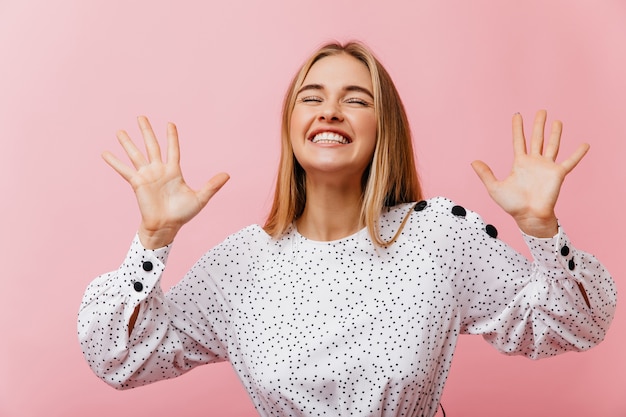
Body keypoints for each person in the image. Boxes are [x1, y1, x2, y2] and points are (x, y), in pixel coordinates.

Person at [78, 42, 617, 417]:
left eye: (356, 99)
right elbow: (121, 361)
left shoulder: (440, 238)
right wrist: (153, 240)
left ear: (384, 127)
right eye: (311, 97)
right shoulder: (238, 264)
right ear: (290, 124)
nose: (330, 111)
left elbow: (580, 324)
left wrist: (541, 229)